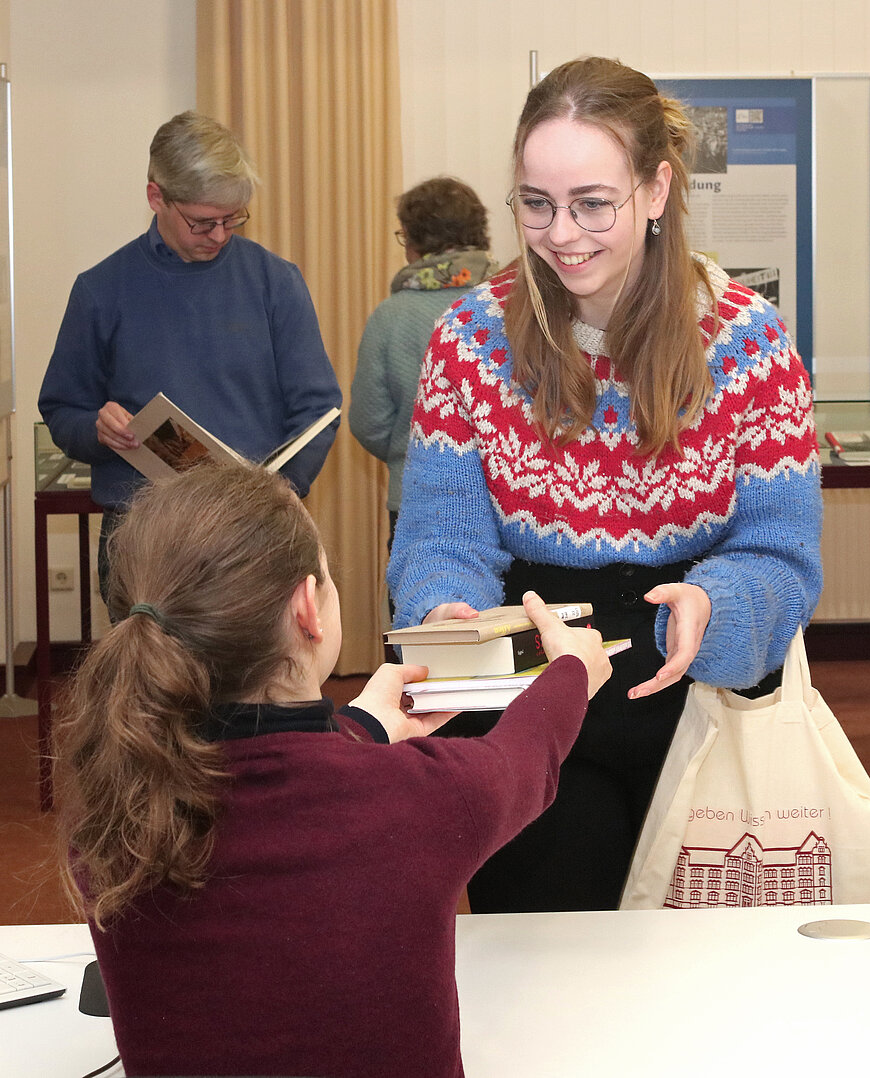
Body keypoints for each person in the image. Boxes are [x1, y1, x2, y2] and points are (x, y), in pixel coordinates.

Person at [387, 56, 824, 914]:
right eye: (536, 204)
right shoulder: (470, 341)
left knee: (699, 989)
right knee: (547, 970)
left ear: (657, 190)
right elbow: (442, 539)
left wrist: (718, 604)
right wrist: (448, 616)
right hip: (535, 694)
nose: (562, 234)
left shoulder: (748, 345)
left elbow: (781, 553)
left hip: (696, 691)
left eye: (593, 203)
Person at [55, 462, 612, 1078]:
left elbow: (263, 771)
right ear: (307, 609)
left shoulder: (119, 811)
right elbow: (522, 760)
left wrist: (365, 728)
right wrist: (572, 673)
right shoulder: (416, 799)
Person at [38, 110, 341, 600]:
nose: (220, 235)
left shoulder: (274, 282)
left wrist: (284, 487)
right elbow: (61, 411)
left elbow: (320, 411)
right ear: (156, 196)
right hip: (142, 537)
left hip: (250, 531)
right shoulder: (101, 290)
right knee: (153, 678)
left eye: (232, 219)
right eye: (203, 222)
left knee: (255, 678)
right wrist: (98, 429)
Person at [349, 175, 496, 544]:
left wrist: (408, 447)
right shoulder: (516, 305)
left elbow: (369, 423)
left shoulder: (391, 316)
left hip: (418, 498)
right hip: (507, 501)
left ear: (415, 242)